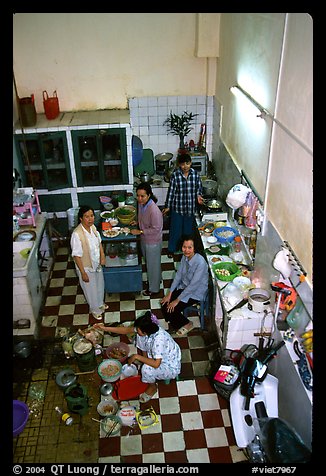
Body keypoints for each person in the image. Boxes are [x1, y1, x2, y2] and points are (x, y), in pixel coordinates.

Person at [94, 311, 181, 403]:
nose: (136, 330)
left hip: (169, 364)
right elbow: (126, 330)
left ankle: (152, 387)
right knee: (140, 337)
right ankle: (146, 361)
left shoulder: (158, 341)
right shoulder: (148, 329)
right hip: (158, 356)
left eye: (138, 329)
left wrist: (137, 357)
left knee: (146, 369)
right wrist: (104, 328)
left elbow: (156, 364)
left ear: (145, 331)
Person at [161, 235, 209, 336]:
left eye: (189, 247)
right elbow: (178, 275)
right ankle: (174, 321)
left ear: (195, 248)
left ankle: (188, 323)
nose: (186, 250)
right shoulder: (185, 257)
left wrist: (177, 300)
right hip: (185, 287)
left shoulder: (200, 263)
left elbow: (193, 286)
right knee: (165, 303)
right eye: (184, 247)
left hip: (196, 292)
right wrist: (170, 293)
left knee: (172, 308)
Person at [162, 153, 204, 258]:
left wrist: (199, 196)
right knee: (175, 231)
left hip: (190, 209)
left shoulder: (195, 174)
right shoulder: (175, 175)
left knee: (188, 232)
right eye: (182, 164)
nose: (185, 166)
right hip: (178, 208)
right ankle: (172, 249)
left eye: (187, 163)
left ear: (190, 163)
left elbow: (199, 188)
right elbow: (171, 192)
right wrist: (168, 206)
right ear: (179, 164)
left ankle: (187, 251)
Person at [70, 205, 107, 320]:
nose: (90, 219)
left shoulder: (93, 228)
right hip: (86, 267)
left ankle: (100, 303)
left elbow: (99, 243)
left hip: (96, 263)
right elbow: (76, 256)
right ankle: (95, 310)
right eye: (86, 216)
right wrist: (83, 273)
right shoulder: (77, 234)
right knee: (90, 289)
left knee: (100, 285)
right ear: (81, 218)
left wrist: (102, 256)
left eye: (91, 216)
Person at [130, 182, 163, 296]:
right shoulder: (141, 204)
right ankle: (157, 279)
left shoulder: (154, 210)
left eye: (142, 196)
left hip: (153, 242)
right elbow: (142, 216)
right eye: (138, 195)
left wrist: (140, 231)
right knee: (152, 263)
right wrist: (138, 222)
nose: (139, 198)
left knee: (152, 265)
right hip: (145, 239)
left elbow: (156, 229)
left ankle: (154, 289)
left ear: (149, 195)